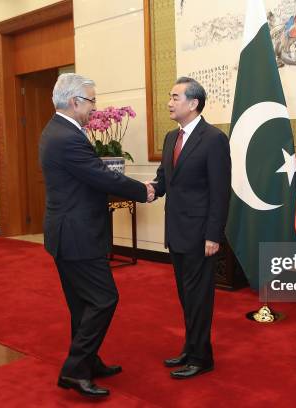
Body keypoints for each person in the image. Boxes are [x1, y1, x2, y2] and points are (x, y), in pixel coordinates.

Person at [39, 73, 155, 398]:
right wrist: (142, 191)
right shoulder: (68, 137)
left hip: (67, 233)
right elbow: (101, 177)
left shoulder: (56, 130)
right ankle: (75, 370)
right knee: (104, 299)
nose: (94, 107)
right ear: (75, 102)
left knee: (82, 304)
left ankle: (88, 361)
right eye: (92, 100)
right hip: (78, 236)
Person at [152, 77, 231, 379]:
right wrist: (144, 189)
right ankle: (190, 347)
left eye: (174, 97)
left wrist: (214, 234)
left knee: (199, 298)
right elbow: (163, 180)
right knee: (186, 296)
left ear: (193, 103)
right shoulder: (172, 137)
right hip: (177, 232)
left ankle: (202, 358)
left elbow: (220, 191)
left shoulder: (213, 139)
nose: (169, 102)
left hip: (200, 235)